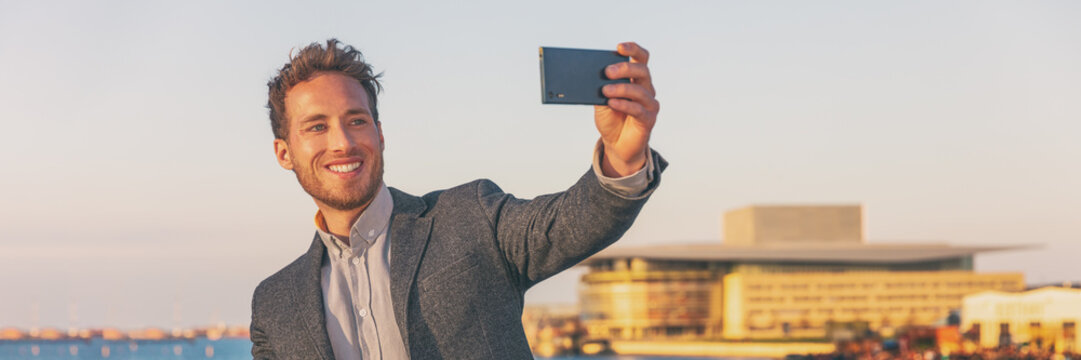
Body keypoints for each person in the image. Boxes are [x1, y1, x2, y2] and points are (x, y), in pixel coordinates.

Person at [250, 38, 665, 359]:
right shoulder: (275, 305)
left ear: (379, 134)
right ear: (284, 152)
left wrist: (621, 158)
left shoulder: (470, 218)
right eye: (316, 127)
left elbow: (571, 224)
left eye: (355, 121)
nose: (342, 142)